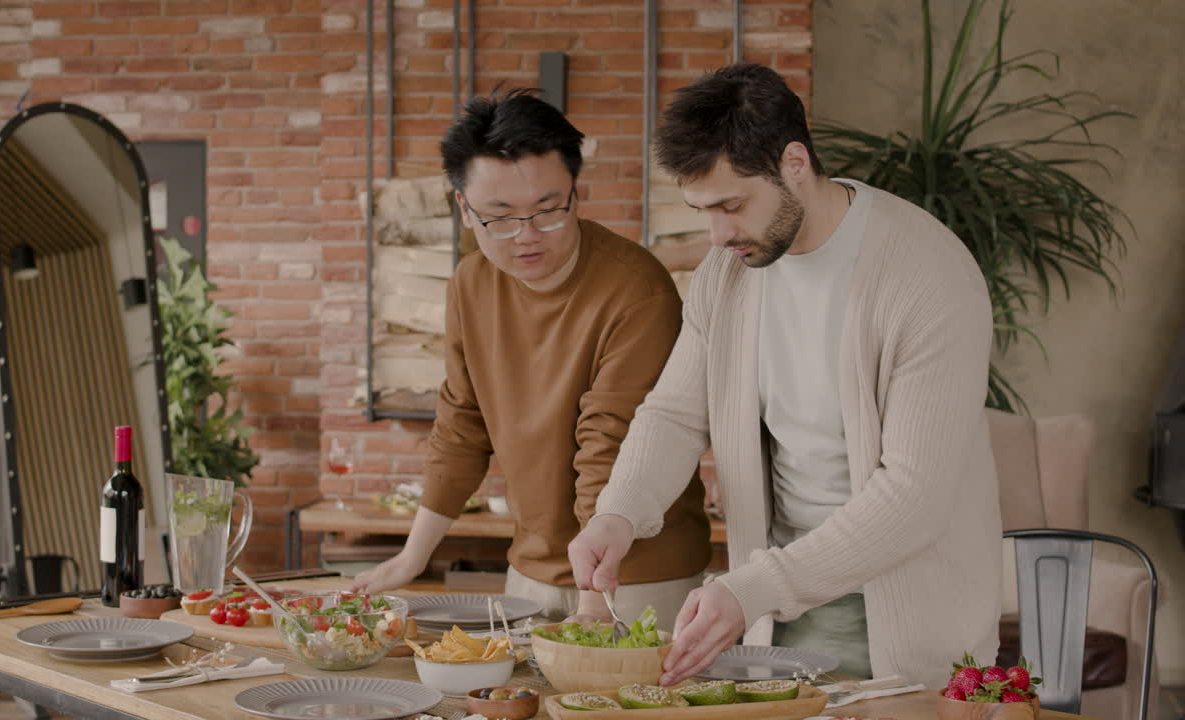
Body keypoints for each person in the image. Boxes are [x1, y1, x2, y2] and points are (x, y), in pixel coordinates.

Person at [568, 64, 1002, 690]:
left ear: (794, 161)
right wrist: (619, 513)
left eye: (732, 205)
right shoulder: (730, 273)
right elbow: (675, 414)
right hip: (778, 609)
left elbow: (914, 493)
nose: (717, 235)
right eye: (701, 211)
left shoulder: (926, 275)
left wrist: (755, 587)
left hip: (908, 615)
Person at [352, 89, 712, 625]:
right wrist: (413, 555)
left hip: (637, 577)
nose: (527, 237)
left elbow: (609, 441)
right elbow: (461, 424)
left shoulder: (637, 289)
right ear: (464, 208)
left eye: (548, 210)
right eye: (500, 217)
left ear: (575, 193)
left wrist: (595, 598)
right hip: (530, 571)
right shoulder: (470, 284)